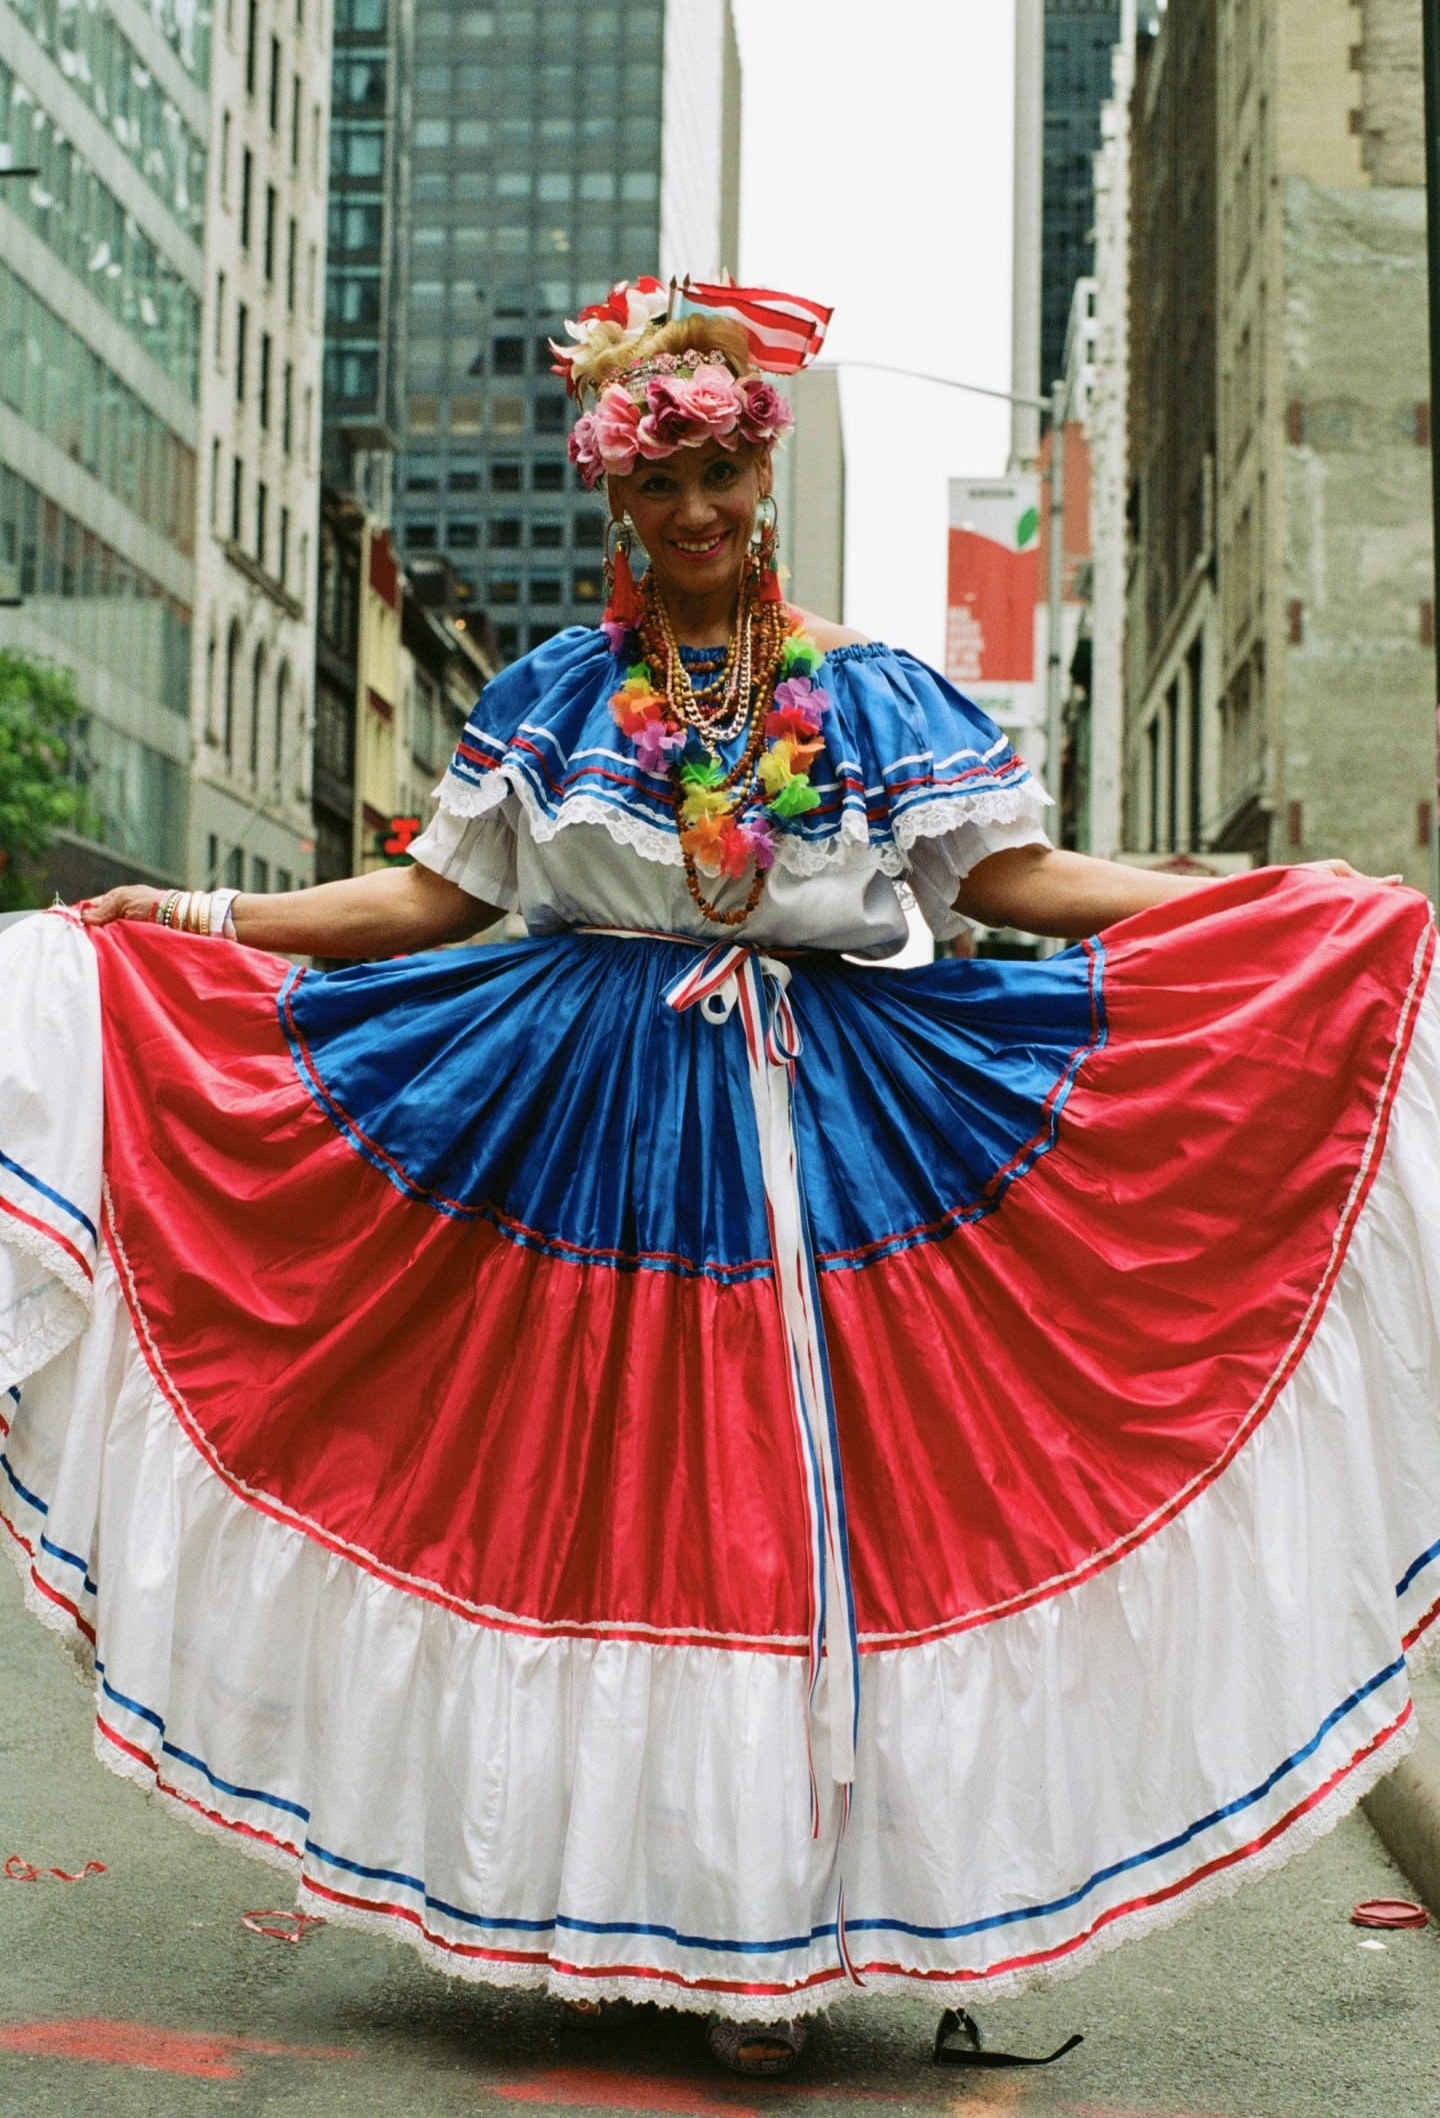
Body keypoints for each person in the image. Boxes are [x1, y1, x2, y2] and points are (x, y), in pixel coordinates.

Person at [1, 279, 1436, 2082]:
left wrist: (1255, 911)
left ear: (761, 481)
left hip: (828, 1133)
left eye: (720, 478)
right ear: (620, 502)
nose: (692, 514)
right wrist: (199, 917)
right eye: (658, 485)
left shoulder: (868, 691)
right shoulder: (551, 696)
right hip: (574, 1133)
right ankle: (654, 1911)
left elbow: (1018, 885)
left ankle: (786, 1935)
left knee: (809, 1518)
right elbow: (427, 904)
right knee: (601, 1510)